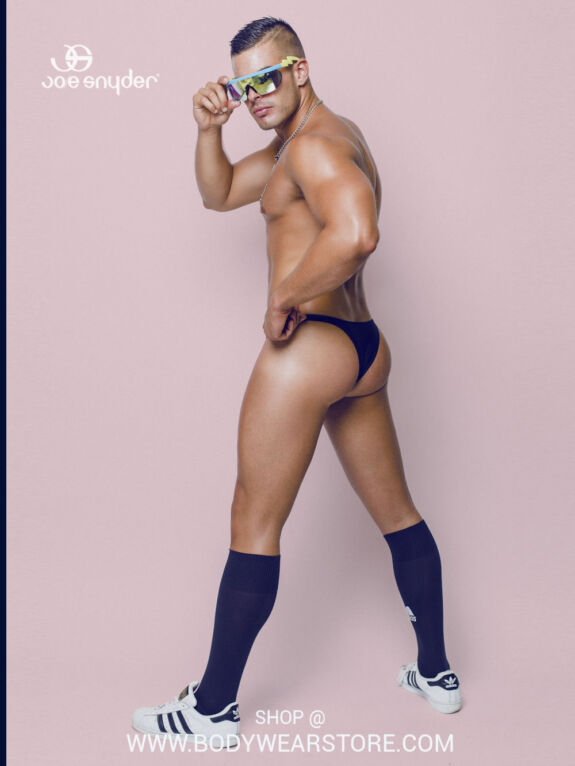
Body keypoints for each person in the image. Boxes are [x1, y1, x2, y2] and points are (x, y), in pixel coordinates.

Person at [132, 16, 462, 742]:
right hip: (362, 349)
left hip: (310, 347)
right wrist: (206, 131)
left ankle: (211, 709)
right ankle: (436, 672)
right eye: (241, 85)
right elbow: (220, 193)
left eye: (266, 78)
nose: (253, 94)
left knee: (253, 520)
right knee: (397, 513)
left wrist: (283, 297)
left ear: (300, 70)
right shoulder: (305, 142)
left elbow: (357, 233)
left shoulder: (312, 147)